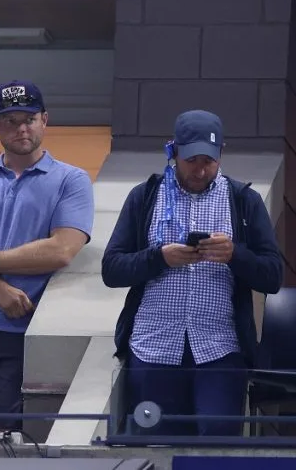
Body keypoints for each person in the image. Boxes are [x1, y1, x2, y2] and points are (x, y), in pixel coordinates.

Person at [102, 110, 283, 437]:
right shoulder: (145, 197)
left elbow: (272, 276)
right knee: (153, 442)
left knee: (216, 442)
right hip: (153, 347)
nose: (200, 170)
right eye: (192, 161)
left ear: (221, 154)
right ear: (173, 151)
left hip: (219, 350)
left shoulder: (243, 201)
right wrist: (160, 258)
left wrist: (234, 255)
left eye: (208, 162)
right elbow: (112, 269)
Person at [0, 81, 94, 437]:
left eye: (29, 118)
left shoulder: (71, 179)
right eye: (10, 120)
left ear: (45, 120)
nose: (21, 128)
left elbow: (62, 249)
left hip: (21, 329)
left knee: (4, 442)